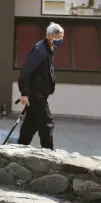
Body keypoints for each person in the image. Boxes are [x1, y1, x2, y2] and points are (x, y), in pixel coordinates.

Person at [17, 22, 64, 150]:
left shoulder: (48, 49)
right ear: (49, 36)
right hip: (36, 95)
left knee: (31, 125)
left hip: (40, 94)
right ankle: (49, 155)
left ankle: (18, 150)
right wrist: (24, 93)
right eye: (58, 38)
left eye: (62, 37)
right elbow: (26, 71)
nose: (60, 40)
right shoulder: (40, 50)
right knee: (47, 124)